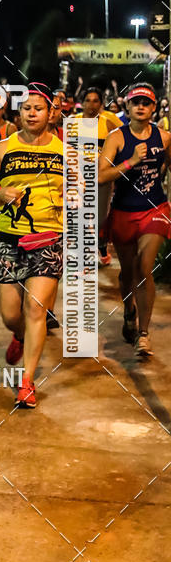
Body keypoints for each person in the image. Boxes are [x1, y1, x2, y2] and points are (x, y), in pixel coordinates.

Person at [0, 83, 64, 408]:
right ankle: (20, 336)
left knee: (36, 309)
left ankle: (27, 383)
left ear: (50, 113)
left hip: (48, 238)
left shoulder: (64, 150)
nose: (31, 113)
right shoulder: (3, 147)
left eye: (38, 108)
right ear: (19, 112)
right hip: (8, 240)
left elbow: (79, 190)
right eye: (26, 108)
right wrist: (1, 194)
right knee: (12, 315)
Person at [99, 83, 171, 357]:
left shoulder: (164, 137)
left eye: (146, 102)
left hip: (155, 210)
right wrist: (130, 161)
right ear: (127, 107)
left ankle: (144, 333)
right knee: (127, 274)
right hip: (123, 212)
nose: (141, 106)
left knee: (144, 267)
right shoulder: (117, 137)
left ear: (154, 108)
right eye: (135, 102)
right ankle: (129, 309)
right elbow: (101, 175)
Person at [77, 87, 123, 266]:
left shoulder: (109, 123)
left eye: (95, 100)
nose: (91, 104)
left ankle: (102, 246)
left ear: (101, 103)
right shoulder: (73, 121)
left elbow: (123, 140)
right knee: (79, 213)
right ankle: (82, 255)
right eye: (87, 100)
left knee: (100, 216)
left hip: (101, 177)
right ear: (82, 102)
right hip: (78, 176)